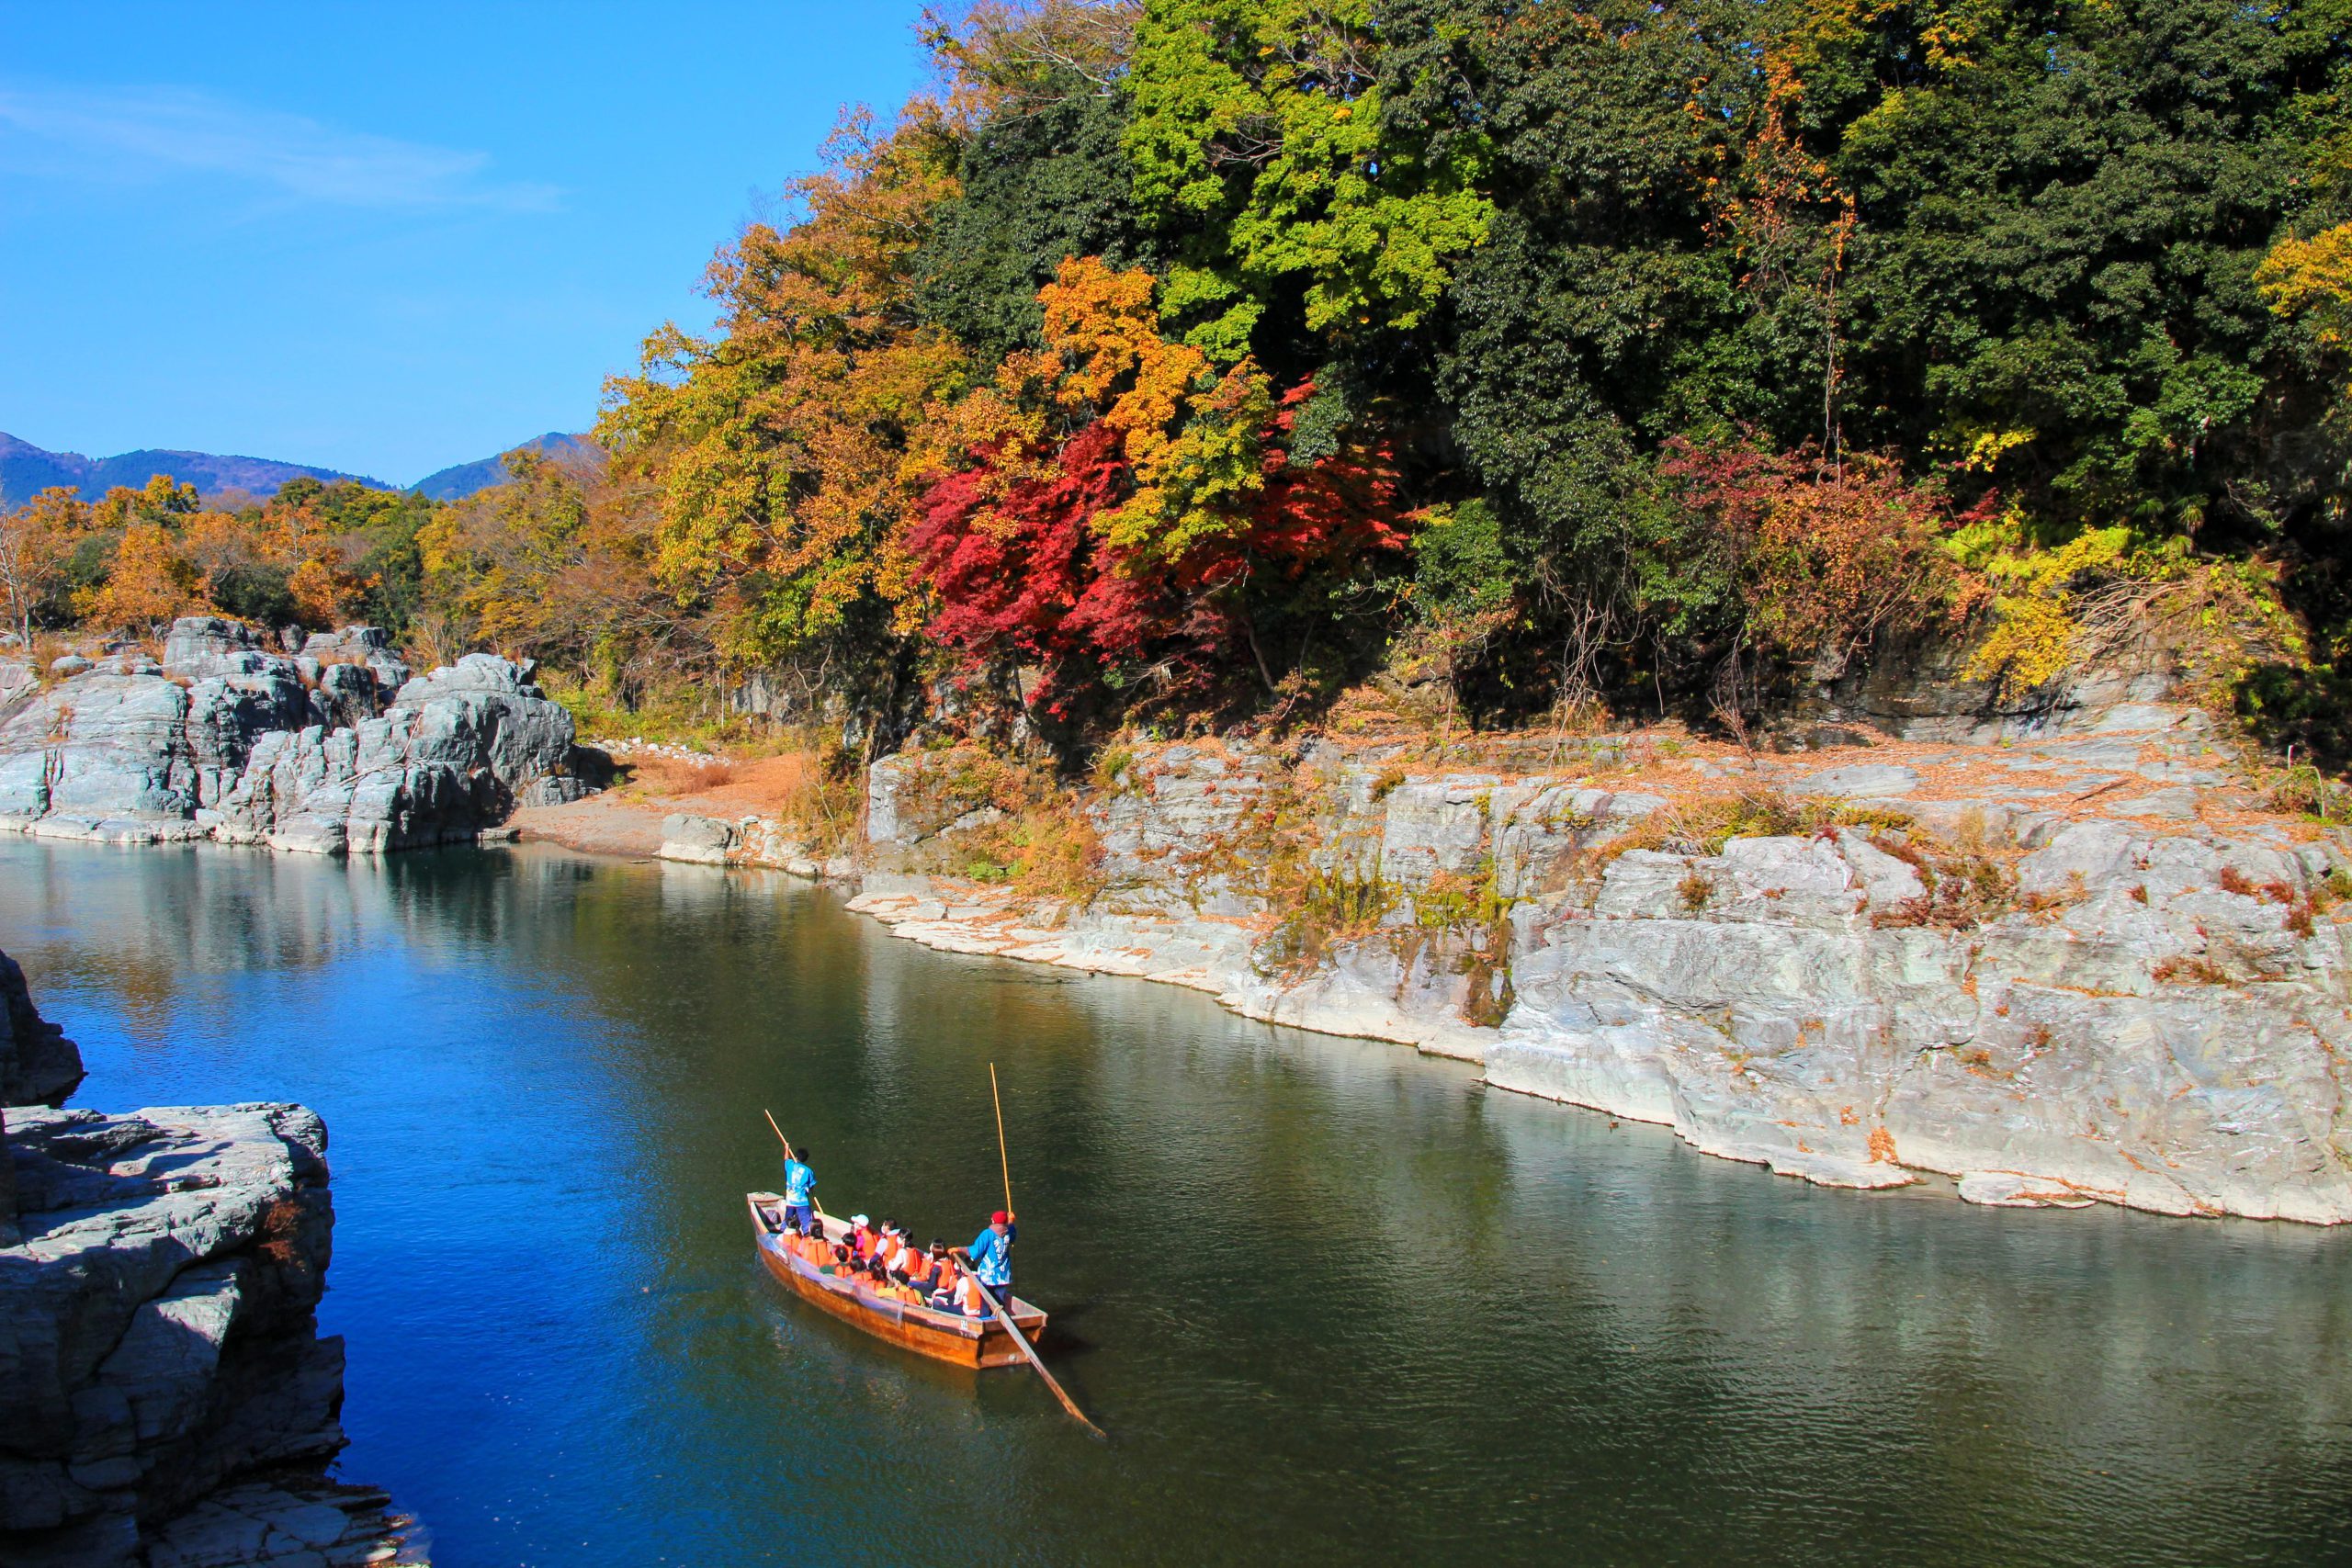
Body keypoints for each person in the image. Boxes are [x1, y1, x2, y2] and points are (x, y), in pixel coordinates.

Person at [953, 1211, 1016, 1303]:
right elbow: (1012, 1233)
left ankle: (989, 1316)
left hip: (988, 1276)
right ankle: (999, 1315)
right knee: (1000, 1301)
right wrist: (1011, 1222)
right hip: (1003, 1276)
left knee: (986, 1302)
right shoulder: (1008, 1232)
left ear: (993, 1221)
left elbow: (975, 1251)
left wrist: (959, 1249)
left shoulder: (987, 1234)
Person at [780, 1145, 818, 1232]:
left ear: (796, 1157)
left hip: (790, 1200)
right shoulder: (808, 1171)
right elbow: (811, 1185)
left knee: (788, 1218)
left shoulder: (790, 1165)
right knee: (806, 1223)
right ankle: (806, 1234)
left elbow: (786, 1159)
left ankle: (783, 1231)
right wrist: (811, 1191)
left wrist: (786, 1149)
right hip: (802, 1201)